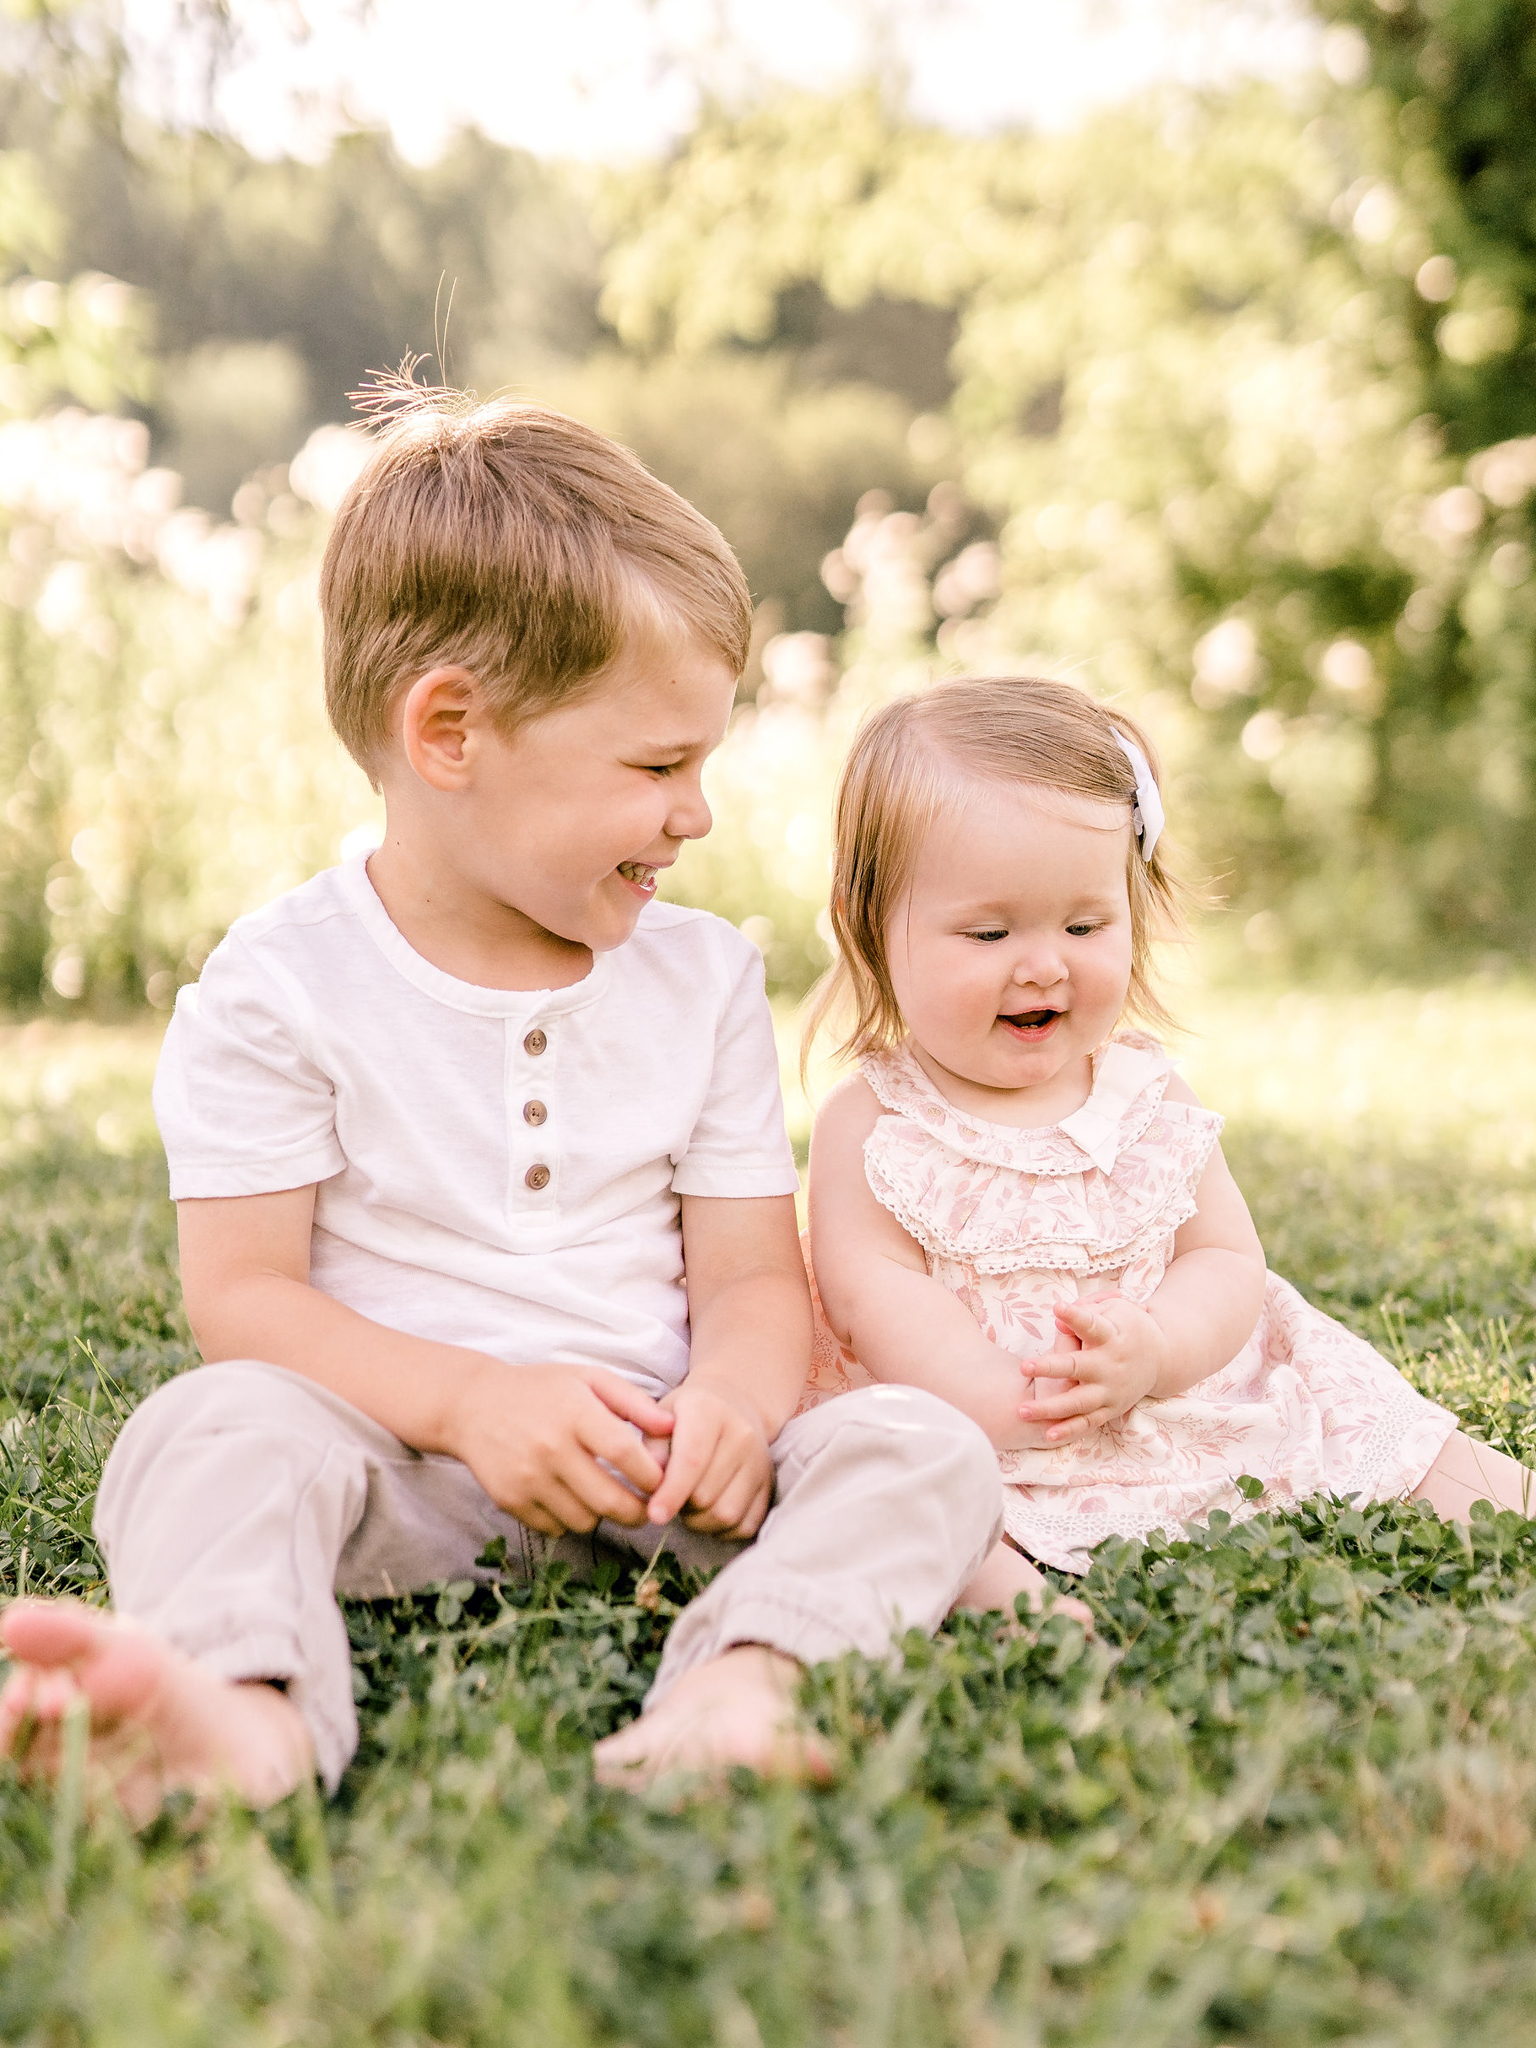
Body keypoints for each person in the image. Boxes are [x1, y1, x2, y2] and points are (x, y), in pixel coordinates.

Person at [0, 388, 1004, 1817]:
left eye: (703, 763)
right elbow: (246, 1302)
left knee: (918, 1448)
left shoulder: (702, 978)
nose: (697, 813)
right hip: (392, 1471)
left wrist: (728, 1398)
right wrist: (469, 1403)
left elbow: (746, 1278)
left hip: (666, 1475)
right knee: (207, 1429)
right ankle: (240, 1716)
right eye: (659, 765)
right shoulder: (280, 986)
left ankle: (740, 1684)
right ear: (452, 732)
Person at [806, 674, 1534, 1606]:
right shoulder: (873, 1122)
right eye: (987, 932)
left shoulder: (1143, 1095)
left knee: (1335, 1386)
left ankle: (1496, 1497)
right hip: (972, 1411)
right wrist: (1000, 1398)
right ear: (875, 929)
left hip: (1173, 1386)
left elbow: (1226, 1256)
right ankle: (1019, 1604)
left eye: (1084, 923)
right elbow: (870, 1294)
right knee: (893, 1483)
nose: (1043, 963)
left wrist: (1157, 1347)